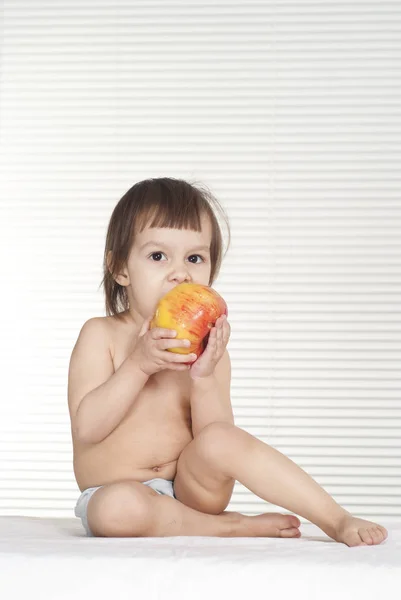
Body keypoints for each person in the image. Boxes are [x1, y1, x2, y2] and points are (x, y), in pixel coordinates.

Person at [68, 177, 388, 546]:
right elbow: (87, 429)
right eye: (158, 256)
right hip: (116, 494)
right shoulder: (100, 335)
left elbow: (219, 439)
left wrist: (203, 378)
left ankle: (335, 518)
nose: (180, 272)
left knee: (222, 439)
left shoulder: (206, 347)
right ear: (120, 268)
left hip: (193, 491)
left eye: (195, 258)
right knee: (117, 508)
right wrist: (139, 365)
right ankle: (231, 527)